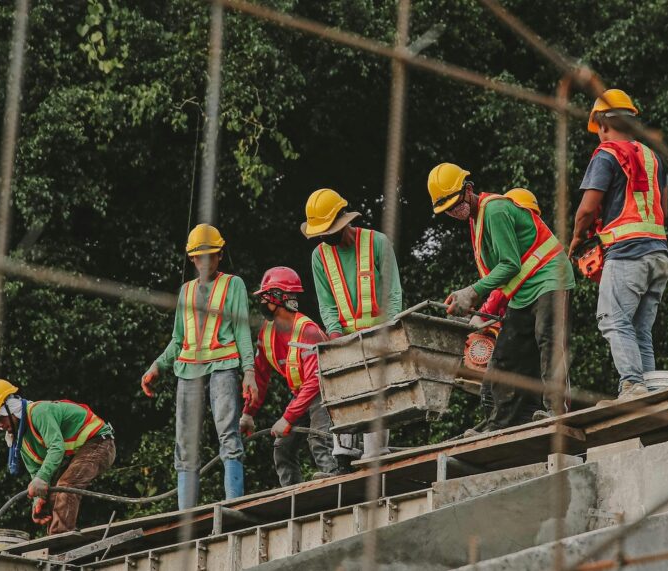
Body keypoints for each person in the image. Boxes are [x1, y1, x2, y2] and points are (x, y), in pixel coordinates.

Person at [427, 165, 574, 433]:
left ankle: (555, 410)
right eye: (446, 209)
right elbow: (500, 276)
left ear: (468, 190)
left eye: (455, 203)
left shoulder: (493, 210)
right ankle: (498, 423)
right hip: (522, 292)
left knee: (548, 339)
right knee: (505, 357)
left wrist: (471, 292)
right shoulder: (477, 220)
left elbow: (509, 265)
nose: (453, 211)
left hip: (550, 278)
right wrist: (479, 308)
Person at [140, 224, 256, 509]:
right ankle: (186, 513)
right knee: (185, 443)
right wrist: (157, 366)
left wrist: (249, 371)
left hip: (223, 366)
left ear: (219, 255)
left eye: (211, 256)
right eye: (199, 258)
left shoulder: (233, 285)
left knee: (228, 433)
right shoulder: (186, 291)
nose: (205, 263)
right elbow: (178, 340)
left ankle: (233, 504)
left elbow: (242, 331)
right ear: (192, 259)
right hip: (188, 370)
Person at [569, 89, 668, 401]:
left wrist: (575, 238)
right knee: (639, 329)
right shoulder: (654, 158)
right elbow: (662, 207)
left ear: (601, 124)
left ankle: (632, 384)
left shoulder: (607, 154)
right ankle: (650, 387)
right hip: (659, 254)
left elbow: (587, 209)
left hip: (627, 252)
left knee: (614, 321)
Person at [301, 188, 403, 461]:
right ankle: (344, 451)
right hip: (344, 335)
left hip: (378, 332)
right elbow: (326, 303)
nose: (325, 236)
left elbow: (393, 293)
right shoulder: (319, 257)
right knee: (342, 391)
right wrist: (335, 337)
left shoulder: (377, 243)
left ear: (343, 221)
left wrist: (390, 330)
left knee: (376, 393)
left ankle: (375, 453)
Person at [242, 267, 343, 486]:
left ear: (280, 297)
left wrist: (287, 418)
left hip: (325, 391)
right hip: (302, 395)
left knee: (319, 438)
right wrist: (248, 413)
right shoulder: (266, 333)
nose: (262, 303)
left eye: (265, 297)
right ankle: (292, 494)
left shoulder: (308, 332)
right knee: (282, 447)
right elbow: (259, 375)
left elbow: (316, 381)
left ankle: (336, 481)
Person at [0, 379, 115, 534]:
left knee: (66, 486)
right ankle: (54, 541)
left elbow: (56, 447)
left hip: (101, 443)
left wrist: (42, 479)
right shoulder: (20, 438)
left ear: (10, 409)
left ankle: (60, 540)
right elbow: (36, 472)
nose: (0, 426)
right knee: (53, 496)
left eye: (0, 418)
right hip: (82, 450)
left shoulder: (39, 412)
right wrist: (39, 498)